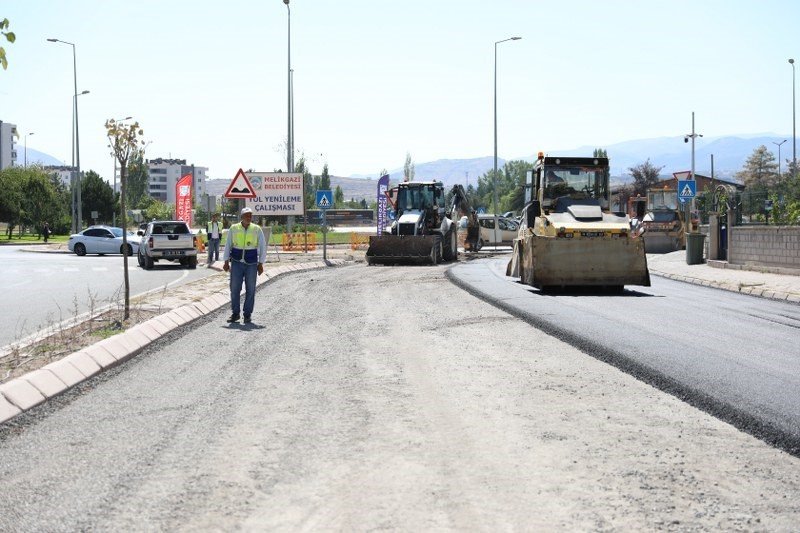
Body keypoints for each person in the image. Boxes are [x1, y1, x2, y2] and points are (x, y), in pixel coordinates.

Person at [222, 207, 266, 324]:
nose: (249, 217)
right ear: (241, 217)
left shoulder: (257, 229)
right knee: (234, 288)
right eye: (246, 215)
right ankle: (235, 313)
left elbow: (262, 247)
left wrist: (261, 263)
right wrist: (226, 261)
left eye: (250, 215)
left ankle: (247, 314)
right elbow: (228, 245)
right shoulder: (234, 228)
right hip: (236, 262)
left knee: (251, 289)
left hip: (251, 263)